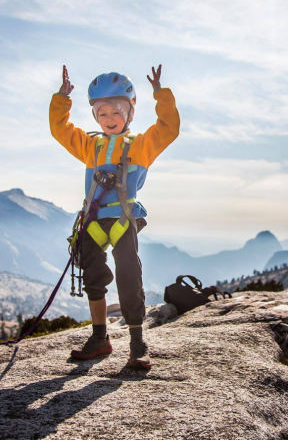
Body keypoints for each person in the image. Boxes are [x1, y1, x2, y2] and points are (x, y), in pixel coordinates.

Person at [50, 65, 180, 369]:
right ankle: (100, 338)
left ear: (131, 113)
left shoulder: (142, 145)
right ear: (96, 117)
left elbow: (169, 126)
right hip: (93, 220)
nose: (109, 119)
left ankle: (138, 343)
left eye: (116, 112)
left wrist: (161, 94)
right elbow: (60, 130)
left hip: (123, 219)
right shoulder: (90, 146)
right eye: (102, 113)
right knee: (93, 277)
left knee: (129, 277)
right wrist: (61, 99)